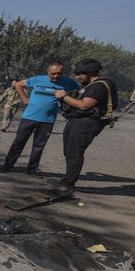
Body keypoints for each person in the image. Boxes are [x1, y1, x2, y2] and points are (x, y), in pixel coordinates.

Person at [50, 59, 117, 192]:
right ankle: (67, 179)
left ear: (89, 72)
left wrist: (63, 96)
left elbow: (84, 105)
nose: (77, 77)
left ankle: (68, 183)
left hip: (86, 123)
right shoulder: (91, 85)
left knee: (75, 152)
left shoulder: (99, 86)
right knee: (69, 151)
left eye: (79, 74)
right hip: (78, 121)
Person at [1, 62, 78, 174]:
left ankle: (31, 170)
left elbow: (79, 91)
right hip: (29, 118)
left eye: (59, 73)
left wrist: (67, 99)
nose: (56, 76)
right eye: (53, 73)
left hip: (48, 120)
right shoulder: (38, 79)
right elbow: (18, 85)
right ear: (48, 72)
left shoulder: (69, 83)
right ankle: (7, 166)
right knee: (18, 143)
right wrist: (25, 99)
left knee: (38, 146)